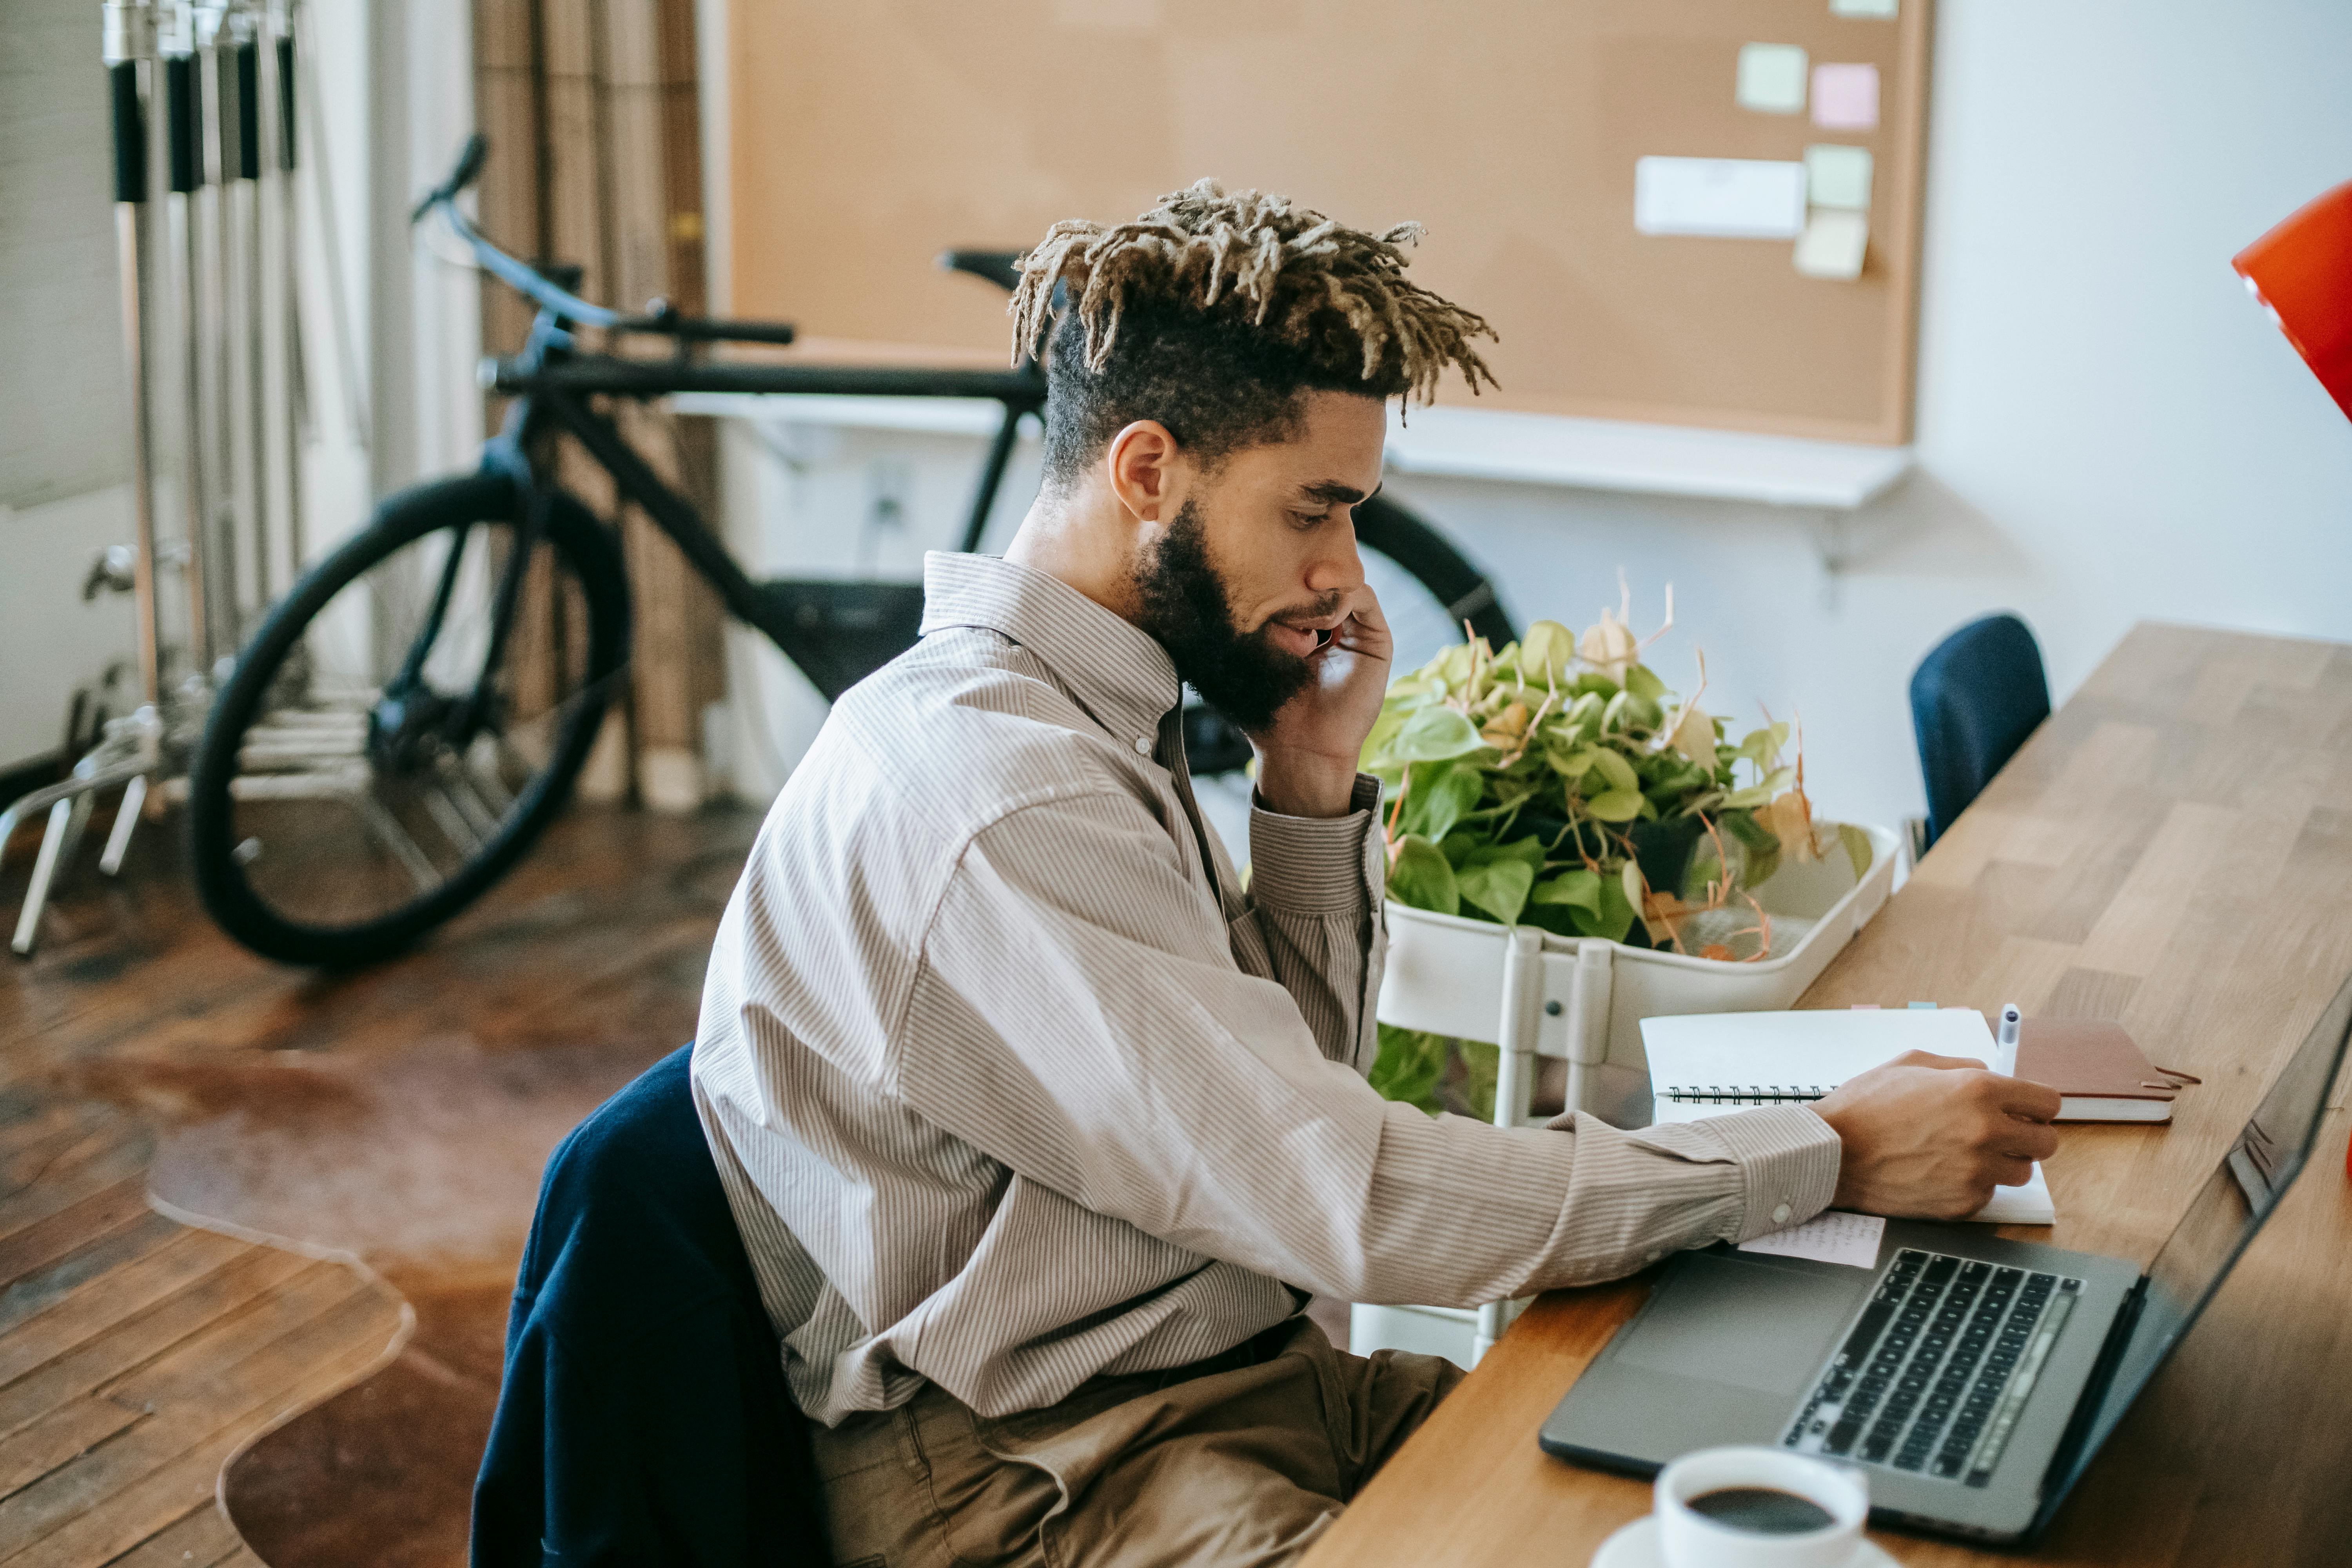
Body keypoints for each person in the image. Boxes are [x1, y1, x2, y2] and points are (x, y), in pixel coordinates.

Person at [691, 180, 2062, 1568]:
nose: (1346, 574)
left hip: (1237, 1381)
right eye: (1315, 511)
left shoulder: (1090, 715)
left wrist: (1305, 784)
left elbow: (1296, 1100)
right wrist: (1824, 1152)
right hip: (1053, 1476)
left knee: (1711, 1474)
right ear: (1148, 473)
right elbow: (1352, 1196)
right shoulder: (1005, 796)